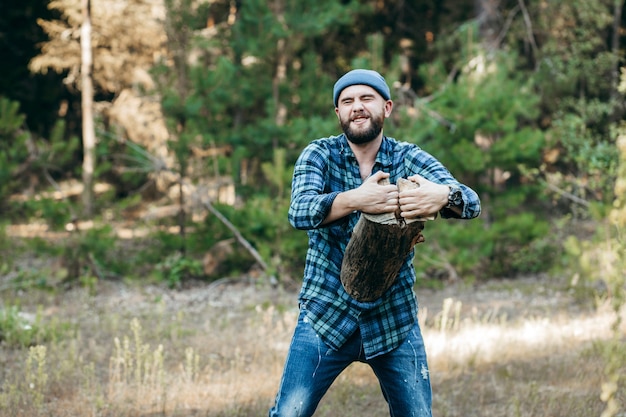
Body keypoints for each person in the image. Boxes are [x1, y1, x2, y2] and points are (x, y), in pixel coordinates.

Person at [268, 69, 481, 417]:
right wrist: (356, 199)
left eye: (366, 98)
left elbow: (470, 201)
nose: (357, 107)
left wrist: (443, 196)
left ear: (387, 106)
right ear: (338, 113)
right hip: (325, 314)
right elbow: (299, 212)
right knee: (288, 414)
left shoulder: (407, 157)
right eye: (347, 101)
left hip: (393, 318)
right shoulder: (319, 154)